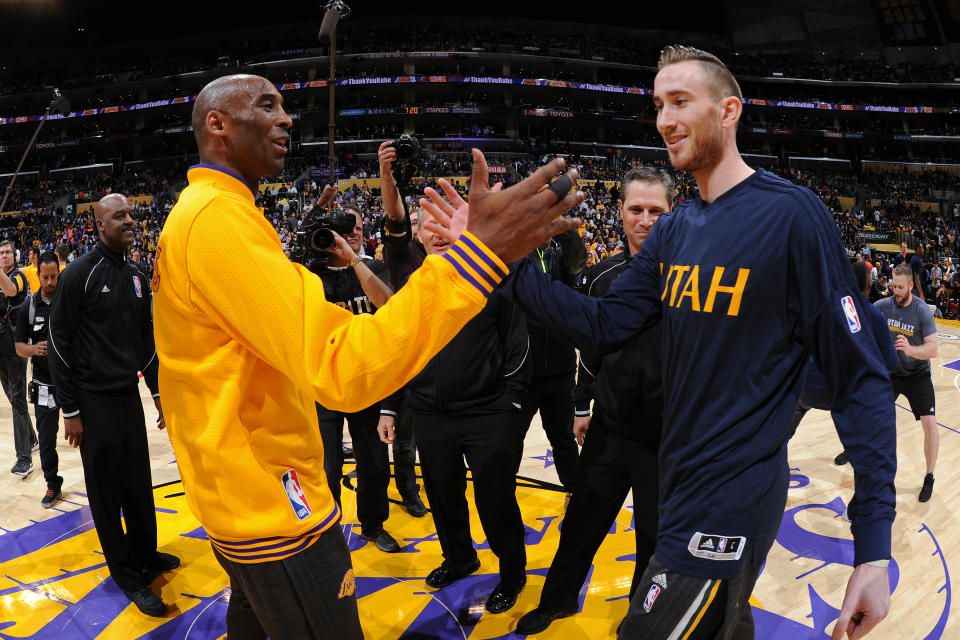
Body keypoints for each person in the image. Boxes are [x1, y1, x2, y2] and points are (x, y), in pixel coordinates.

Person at [426, 46, 895, 640]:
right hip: (677, 481)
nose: (664, 118)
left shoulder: (793, 217)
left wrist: (873, 549)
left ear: (729, 110)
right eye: (657, 105)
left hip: (732, 494)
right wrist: (499, 259)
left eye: (680, 101)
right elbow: (602, 325)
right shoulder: (676, 230)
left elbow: (859, 378)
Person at [152, 74, 582, 639]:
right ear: (217, 124)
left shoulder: (206, 213)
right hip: (275, 510)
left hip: (240, 495)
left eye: (285, 107)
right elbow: (341, 367)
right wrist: (477, 257)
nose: (286, 118)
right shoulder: (216, 221)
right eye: (267, 105)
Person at [516, 166, 672, 635]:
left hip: (665, 439)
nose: (645, 220)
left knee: (654, 539)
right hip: (611, 429)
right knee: (580, 523)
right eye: (636, 209)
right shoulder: (604, 276)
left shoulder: (693, 280)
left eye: (656, 211)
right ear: (620, 212)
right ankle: (558, 601)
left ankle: (642, 619)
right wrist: (582, 406)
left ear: (673, 213)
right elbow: (592, 348)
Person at [49, 193, 178, 617]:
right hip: (91, 399)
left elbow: (145, 342)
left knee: (138, 482)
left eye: (130, 213)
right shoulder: (78, 276)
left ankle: (146, 553)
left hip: (127, 396)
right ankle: (125, 574)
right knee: (105, 492)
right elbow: (58, 344)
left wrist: (157, 394)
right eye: (118, 215)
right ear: (100, 226)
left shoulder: (138, 276)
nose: (129, 220)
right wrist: (70, 410)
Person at [405, 192, 531, 613]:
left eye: (445, 224)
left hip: (488, 412)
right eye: (429, 226)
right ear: (419, 234)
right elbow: (400, 348)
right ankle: (459, 558)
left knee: (494, 499)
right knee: (442, 495)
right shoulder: (413, 283)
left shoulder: (492, 277)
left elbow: (519, 344)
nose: (438, 234)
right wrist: (400, 404)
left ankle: (513, 573)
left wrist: (510, 405)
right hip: (429, 412)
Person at [311, 204, 403, 552]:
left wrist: (352, 259)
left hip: (367, 382)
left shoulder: (374, 267)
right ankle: (327, 531)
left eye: (356, 227)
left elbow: (389, 305)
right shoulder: (312, 276)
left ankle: (373, 525)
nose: (349, 232)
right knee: (327, 467)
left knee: (374, 463)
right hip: (325, 384)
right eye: (339, 228)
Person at [374, 140, 431, 518]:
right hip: (412, 359)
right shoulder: (403, 253)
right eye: (417, 222)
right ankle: (408, 491)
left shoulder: (457, 255)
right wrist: (387, 174)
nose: (416, 226)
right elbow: (395, 217)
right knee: (406, 439)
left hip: (450, 359)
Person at [515, 227, 585, 499]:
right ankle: (504, 499)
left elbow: (578, 261)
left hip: (561, 369)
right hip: (522, 373)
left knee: (564, 438)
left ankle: (575, 494)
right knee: (511, 440)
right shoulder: (516, 256)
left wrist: (565, 226)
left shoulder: (561, 254)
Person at [862, 262, 937, 502]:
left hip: (917, 375)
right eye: (893, 285)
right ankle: (853, 451)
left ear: (911, 286)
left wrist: (910, 349)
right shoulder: (882, 306)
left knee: (930, 425)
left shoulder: (922, 310)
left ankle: (929, 476)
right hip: (891, 373)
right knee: (868, 413)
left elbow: (933, 349)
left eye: (900, 287)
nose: (895, 290)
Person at [14, 251, 64, 507]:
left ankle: (100, 483)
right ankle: (52, 485)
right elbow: (18, 346)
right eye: (45, 277)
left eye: (54, 276)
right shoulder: (29, 307)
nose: (50, 282)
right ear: (38, 274)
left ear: (59, 272)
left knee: (90, 435)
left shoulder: (69, 300)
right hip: (44, 385)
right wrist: (34, 350)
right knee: (46, 441)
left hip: (72, 383)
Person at [0, 239, 36, 477]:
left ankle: (25, 458)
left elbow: (11, 291)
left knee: (18, 398)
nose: (4, 256)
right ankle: (32, 439)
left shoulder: (18, 275)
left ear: (15, 255)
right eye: (1, 253)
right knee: (12, 398)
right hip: (1, 345)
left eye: (8, 252)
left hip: (16, 346)